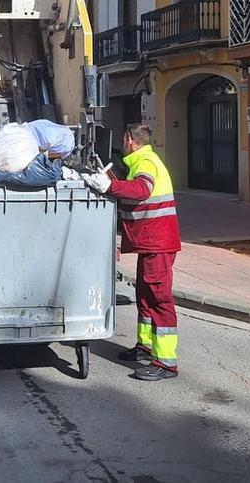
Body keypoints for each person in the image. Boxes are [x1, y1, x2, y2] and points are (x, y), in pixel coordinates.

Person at [82, 123, 180, 380]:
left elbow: (141, 190)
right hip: (152, 242)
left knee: (159, 299)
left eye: (124, 139)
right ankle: (146, 347)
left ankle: (165, 363)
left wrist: (109, 187)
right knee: (145, 296)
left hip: (157, 242)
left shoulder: (146, 161)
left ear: (129, 140)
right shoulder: (141, 160)